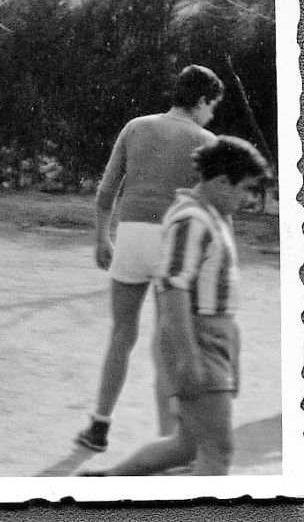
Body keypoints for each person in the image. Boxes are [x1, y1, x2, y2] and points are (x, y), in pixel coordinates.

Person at [81, 137, 269, 476]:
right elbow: (172, 289)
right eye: (246, 188)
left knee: (187, 446)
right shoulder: (192, 220)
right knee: (217, 454)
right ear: (221, 182)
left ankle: (103, 483)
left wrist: (232, 354)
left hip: (212, 343)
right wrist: (188, 358)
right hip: (199, 343)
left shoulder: (211, 216)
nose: (249, 199)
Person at [76, 64, 225, 453]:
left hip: (130, 236)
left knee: (121, 334)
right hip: (173, 242)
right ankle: (168, 439)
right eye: (212, 106)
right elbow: (215, 208)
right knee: (168, 345)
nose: (212, 115)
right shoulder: (207, 141)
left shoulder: (136, 126)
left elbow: (106, 191)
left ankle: (99, 427)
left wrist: (102, 238)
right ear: (201, 100)